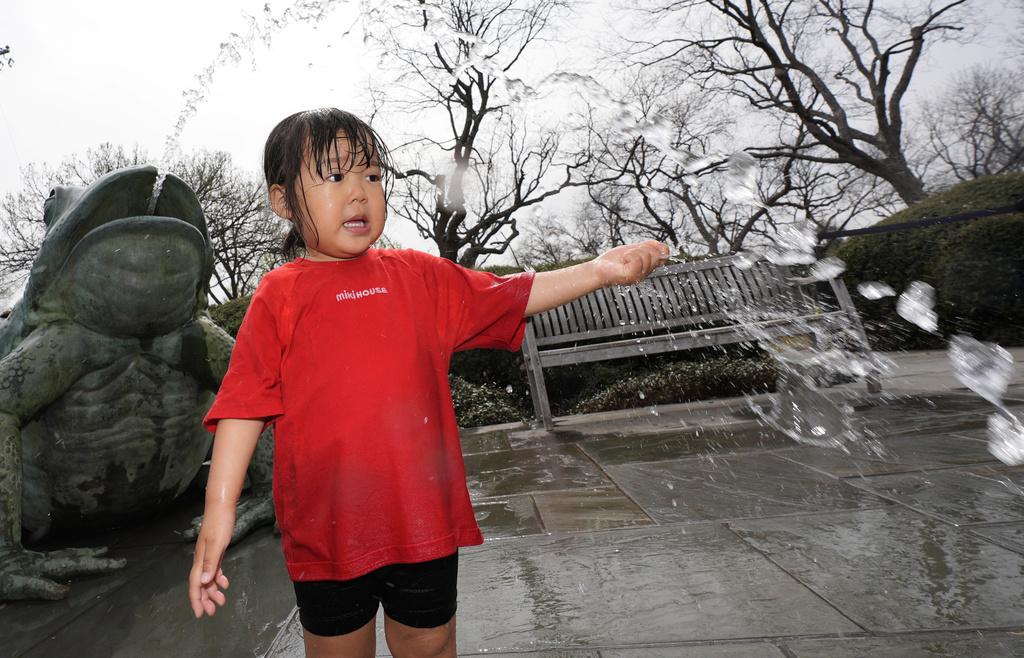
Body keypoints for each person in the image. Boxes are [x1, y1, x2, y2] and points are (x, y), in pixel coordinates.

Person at [187, 107, 669, 658]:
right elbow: (244, 405)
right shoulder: (280, 295)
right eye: (335, 175)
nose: (359, 193)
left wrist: (599, 270)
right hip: (328, 530)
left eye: (372, 175)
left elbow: (509, 294)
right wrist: (219, 512)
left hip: (422, 518)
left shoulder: (416, 276)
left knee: (431, 642)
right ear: (283, 202)